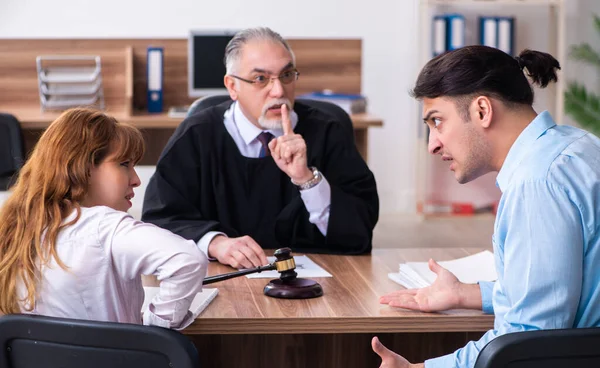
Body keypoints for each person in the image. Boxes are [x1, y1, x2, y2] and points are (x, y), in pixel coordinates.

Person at [321, 45, 600, 368]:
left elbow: (528, 341)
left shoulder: (536, 183)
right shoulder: (577, 145)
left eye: (437, 121)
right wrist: (466, 294)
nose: (432, 145)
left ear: (482, 110)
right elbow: (556, 291)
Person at [142, 27, 379, 269]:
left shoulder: (328, 131)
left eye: (286, 75)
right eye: (260, 79)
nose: (278, 91)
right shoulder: (196, 135)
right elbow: (159, 221)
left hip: (319, 282)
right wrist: (215, 243)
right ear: (232, 86)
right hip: (223, 280)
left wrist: (306, 179)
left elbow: (360, 229)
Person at [0, 108, 209, 332]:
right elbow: (188, 260)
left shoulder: (17, 226)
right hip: (118, 365)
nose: (136, 180)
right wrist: (155, 330)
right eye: (124, 164)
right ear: (83, 168)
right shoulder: (105, 227)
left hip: (42, 367)